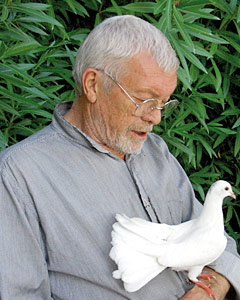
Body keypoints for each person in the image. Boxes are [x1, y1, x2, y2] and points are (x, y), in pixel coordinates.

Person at [0, 15, 239, 300]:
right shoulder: (18, 174)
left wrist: (209, 291)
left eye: (163, 103)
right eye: (145, 99)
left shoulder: (156, 151)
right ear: (92, 84)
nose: (156, 118)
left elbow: (219, 246)